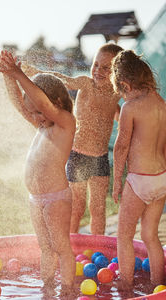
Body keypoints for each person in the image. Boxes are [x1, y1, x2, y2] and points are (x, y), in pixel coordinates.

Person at [0, 51, 76, 293]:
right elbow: (22, 105)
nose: (36, 117)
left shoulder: (64, 123)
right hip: (36, 198)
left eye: (39, 113)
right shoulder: (41, 124)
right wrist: (9, 76)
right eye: (34, 114)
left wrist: (20, 74)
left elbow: (41, 104)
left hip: (56, 198)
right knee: (45, 247)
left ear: (57, 104)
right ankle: (48, 289)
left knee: (60, 246)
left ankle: (69, 291)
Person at [22, 43, 123, 234]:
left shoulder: (115, 94)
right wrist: (37, 73)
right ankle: (72, 245)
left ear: (116, 72)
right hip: (78, 156)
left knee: (98, 209)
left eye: (106, 68)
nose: (98, 71)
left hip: (100, 158)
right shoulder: (86, 83)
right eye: (96, 65)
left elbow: (115, 111)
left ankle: (97, 246)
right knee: (77, 207)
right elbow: (63, 81)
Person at [111, 50, 166, 290]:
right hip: (161, 178)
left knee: (124, 236)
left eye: (121, 92)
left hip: (139, 180)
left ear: (125, 84)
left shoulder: (130, 107)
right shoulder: (162, 104)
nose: (123, 97)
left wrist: (116, 182)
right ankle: (158, 286)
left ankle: (125, 287)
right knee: (150, 237)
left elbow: (121, 146)